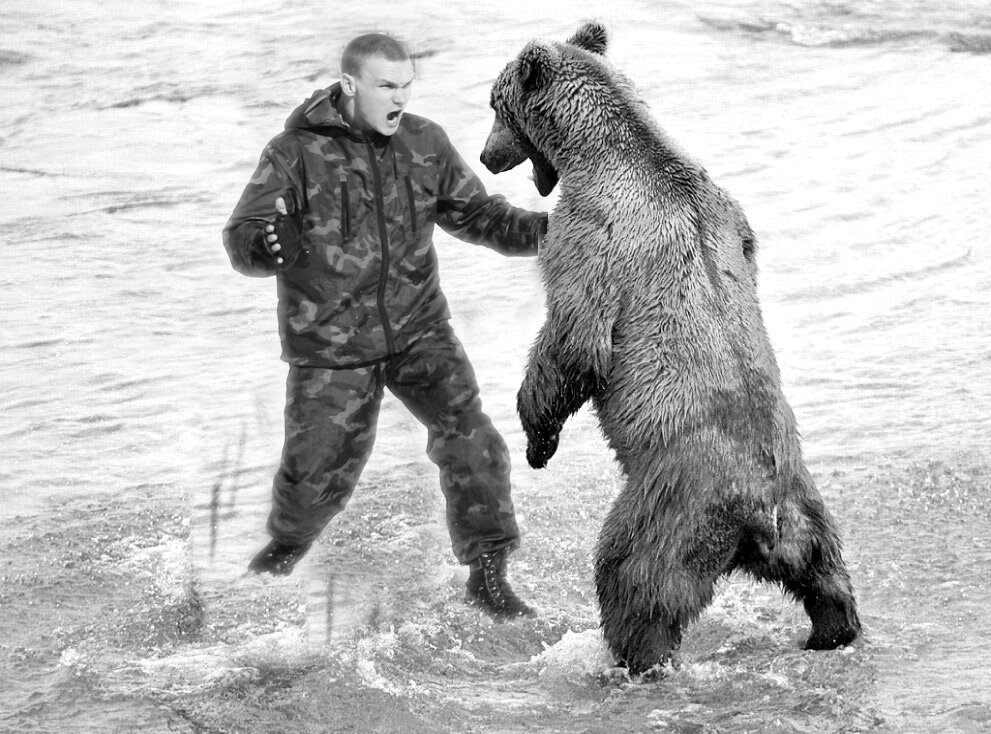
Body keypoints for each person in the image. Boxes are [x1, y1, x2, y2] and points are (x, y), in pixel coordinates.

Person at [221, 32, 545, 618]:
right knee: (314, 480)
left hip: (420, 329)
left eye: (407, 85)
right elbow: (241, 237)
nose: (400, 98)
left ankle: (489, 577)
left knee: (472, 439)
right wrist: (267, 245)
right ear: (350, 85)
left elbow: (479, 216)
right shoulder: (293, 152)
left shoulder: (423, 142)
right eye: (387, 86)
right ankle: (274, 565)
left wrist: (557, 233)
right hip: (332, 347)